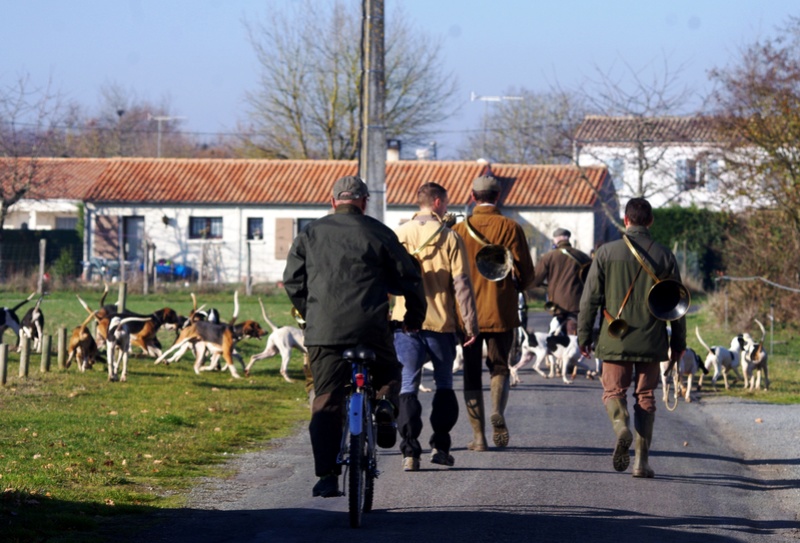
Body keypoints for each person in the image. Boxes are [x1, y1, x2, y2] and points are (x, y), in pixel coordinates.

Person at [283, 175, 426, 498]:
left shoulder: (310, 233)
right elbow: (410, 278)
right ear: (363, 202)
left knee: (326, 401)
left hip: (324, 332)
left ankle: (327, 477)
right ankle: (386, 404)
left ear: (333, 201)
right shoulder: (380, 232)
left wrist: (313, 312)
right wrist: (414, 318)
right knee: (390, 369)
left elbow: (292, 281)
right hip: (370, 328)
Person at [577, 197, 686, 478]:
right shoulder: (665, 255)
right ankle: (641, 462)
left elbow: (590, 299)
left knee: (614, 392)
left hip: (616, 337)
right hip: (652, 338)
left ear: (626, 220)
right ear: (650, 221)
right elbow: (678, 303)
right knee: (646, 395)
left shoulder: (604, 253)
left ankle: (621, 425)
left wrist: (584, 335)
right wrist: (679, 344)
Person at [391, 182, 479, 471]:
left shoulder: (399, 234)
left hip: (406, 323)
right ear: (439, 202)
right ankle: (440, 446)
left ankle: (409, 452)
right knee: (443, 385)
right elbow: (462, 284)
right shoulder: (451, 238)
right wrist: (470, 324)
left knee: (408, 385)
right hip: (441, 323)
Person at [451, 175, 535, 450]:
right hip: (502, 310)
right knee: (499, 366)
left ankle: (478, 437)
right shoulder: (511, 227)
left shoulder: (460, 229)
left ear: (473, 197)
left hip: (467, 315)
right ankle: (497, 410)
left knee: (471, 372)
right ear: (498, 196)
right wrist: (517, 286)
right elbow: (526, 273)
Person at [531, 228, 592, 336]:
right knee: (573, 332)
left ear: (556, 240)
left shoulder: (548, 257)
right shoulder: (582, 256)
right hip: (576, 301)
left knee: (557, 334)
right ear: (568, 239)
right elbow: (591, 278)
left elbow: (536, 279)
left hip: (557, 303)